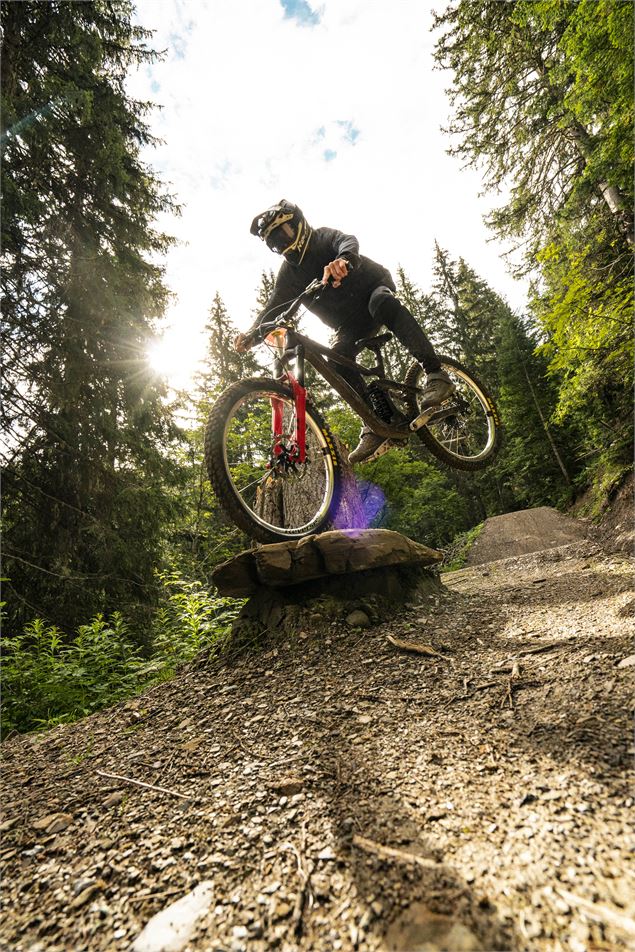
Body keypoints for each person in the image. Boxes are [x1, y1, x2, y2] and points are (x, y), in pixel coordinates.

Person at [235, 199, 454, 464]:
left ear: (297, 224)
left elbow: (347, 241)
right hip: (348, 324)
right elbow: (273, 307)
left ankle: (435, 373)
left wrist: (343, 260)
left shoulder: (322, 238)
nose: (282, 246)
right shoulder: (289, 274)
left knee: (382, 302)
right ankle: (375, 422)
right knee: (336, 359)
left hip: (372, 289)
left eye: (283, 235)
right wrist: (252, 334)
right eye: (275, 244)